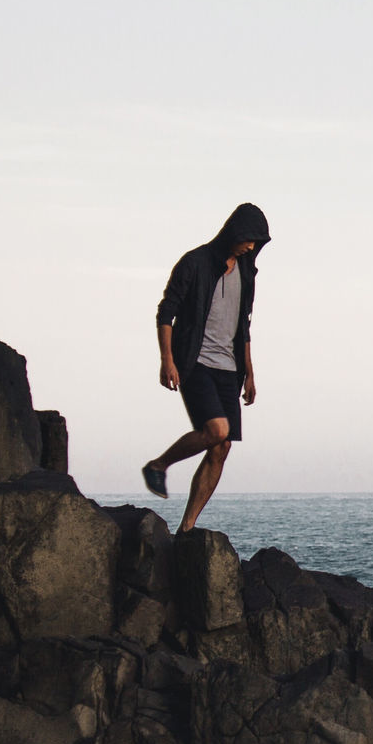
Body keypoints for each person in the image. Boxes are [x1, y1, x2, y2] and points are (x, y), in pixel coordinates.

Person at [142, 204, 270, 532]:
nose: (252, 247)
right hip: (194, 362)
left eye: (257, 242)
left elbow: (244, 324)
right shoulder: (195, 263)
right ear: (234, 233)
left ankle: (187, 528)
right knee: (217, 431)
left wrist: (250, 373)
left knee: (221, 448)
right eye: (249, 239)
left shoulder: (246, 272)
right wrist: (167, 359)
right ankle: (158, 465)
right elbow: (166, 312)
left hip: (230, 369)